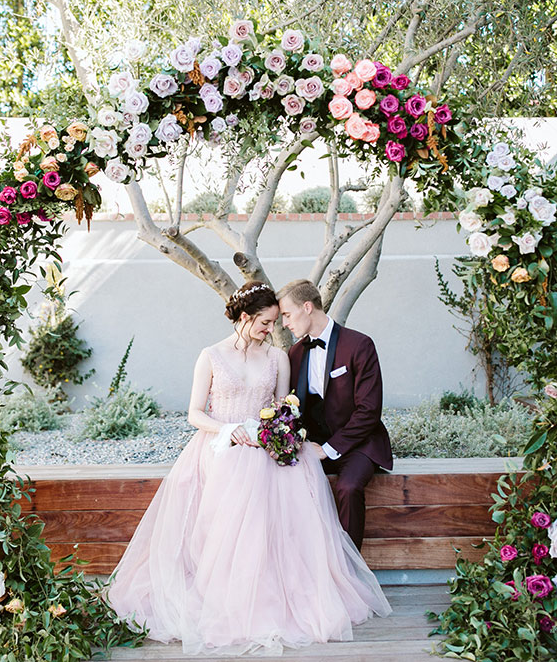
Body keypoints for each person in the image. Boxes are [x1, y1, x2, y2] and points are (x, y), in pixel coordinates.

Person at [106, 282, 390, 656]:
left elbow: (287, 408)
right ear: (244, 317)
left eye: (277, 321)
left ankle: (305, 586)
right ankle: (221, 592)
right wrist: (227, 430)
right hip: (220, 442)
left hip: (265, 445)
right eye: (266, 322)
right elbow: (193, 413)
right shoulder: (210, 355)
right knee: (227, 492)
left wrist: (278, 437)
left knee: (288, 485)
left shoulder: (279, 357)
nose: (272, 330)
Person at [277, 279, 393, 550]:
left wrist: (329, 449)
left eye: (287, 315)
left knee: (348, 488)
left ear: (307, 307)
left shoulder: (359, 345)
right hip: (315, 444)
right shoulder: (295, 353)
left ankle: (349, 569)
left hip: (359, 444)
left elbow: (369, 410)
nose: (285, 323)